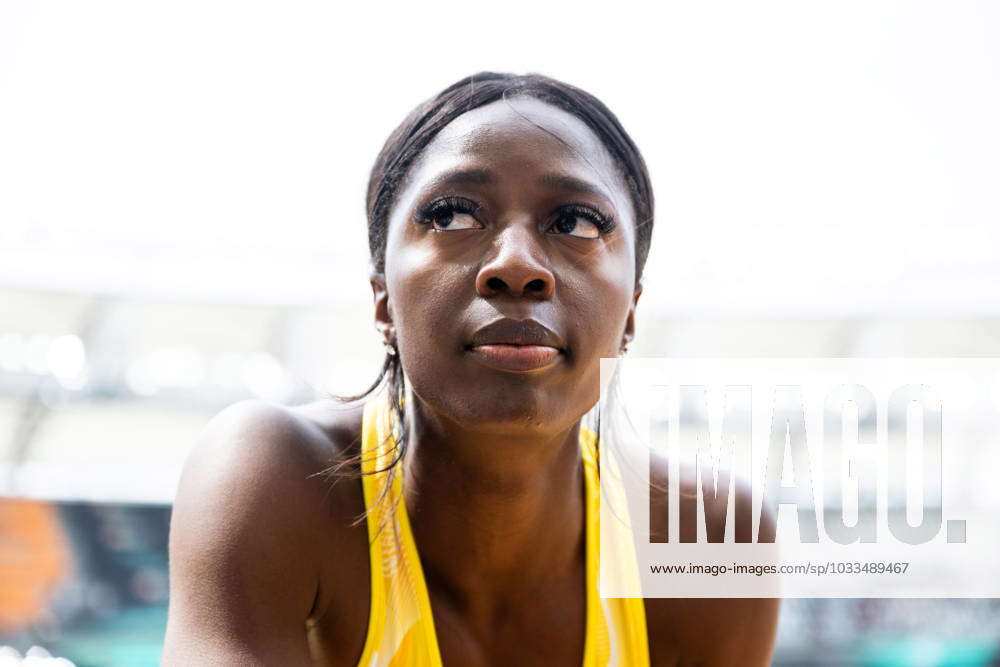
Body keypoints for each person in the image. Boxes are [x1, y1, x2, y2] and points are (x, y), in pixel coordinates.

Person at [162, 71, 780, 666]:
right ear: (384, 301)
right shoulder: (274, 477)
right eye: (452, 215)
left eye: (576, 222)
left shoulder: (711, 542)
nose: (516, 265)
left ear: (630, 312)